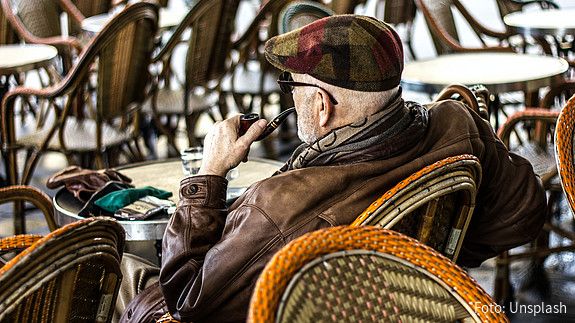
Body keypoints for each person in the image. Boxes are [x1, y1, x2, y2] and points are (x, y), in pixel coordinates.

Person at [118, 14, 545, 322]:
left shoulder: (279, 207)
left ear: (322, 106)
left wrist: (207, 176)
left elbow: (189, 301)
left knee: (120, 267)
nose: (290, 96)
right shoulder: (455, 122)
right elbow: (525, 209)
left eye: (293, 86)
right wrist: (429, 263)